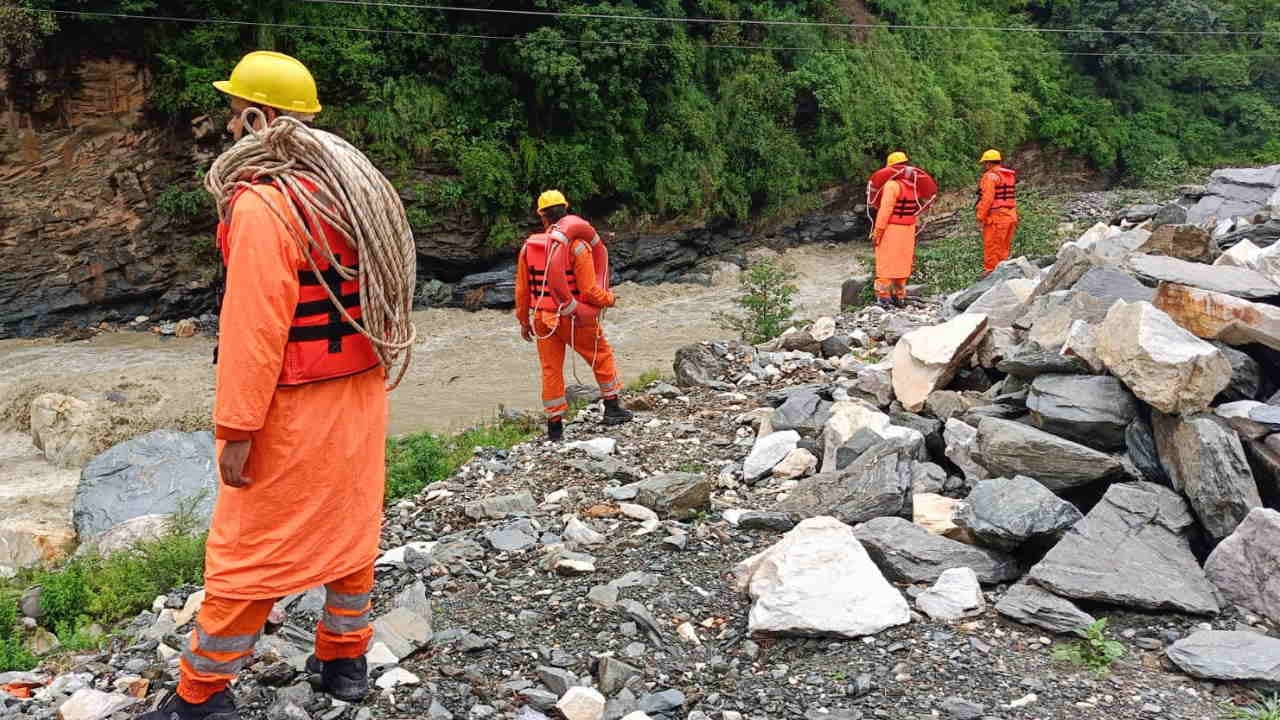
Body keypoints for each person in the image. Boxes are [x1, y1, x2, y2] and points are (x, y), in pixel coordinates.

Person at [140, 51, 388, 720]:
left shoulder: (262, 206)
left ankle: (201, 695)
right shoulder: (354, 192)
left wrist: (237, 431)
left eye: (233, 112)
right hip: (360, 394)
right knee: (350, 526)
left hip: (292, 406)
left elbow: (254, 331)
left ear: (260, 117)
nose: (226, 126)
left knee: (246, 549)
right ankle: (345, 662)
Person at [514, 190, 632, 441]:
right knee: (601, 355)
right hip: (574, 318)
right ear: (566, 210)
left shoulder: (530, 246)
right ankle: (612, 408)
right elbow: (590, 290)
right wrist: (608, 300)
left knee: (550, 369)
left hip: (543, 318)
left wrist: (524, 320)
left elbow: (522, 289)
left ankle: (555, 428)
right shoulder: (578, 247)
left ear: (541, 216)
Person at [868, 151, 934, 308]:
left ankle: (883, 298)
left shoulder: (891, 185)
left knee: (885, 263)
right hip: (908, 229)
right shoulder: (915, 187)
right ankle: (899, 296)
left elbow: (884, 211)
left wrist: (877, 232)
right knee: (902, 264)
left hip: (891, 229)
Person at [976, 148, 1019, 276]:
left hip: (997, 217)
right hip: (1010, 215)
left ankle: (991, 273)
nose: (984, 166)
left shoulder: (990, 177)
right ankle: (1002, 271)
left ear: (988, 163)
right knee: (1004, 247)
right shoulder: (1008, 175)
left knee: (992, 246)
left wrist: (980, 216)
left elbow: (987, 199)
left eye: (984, 163)